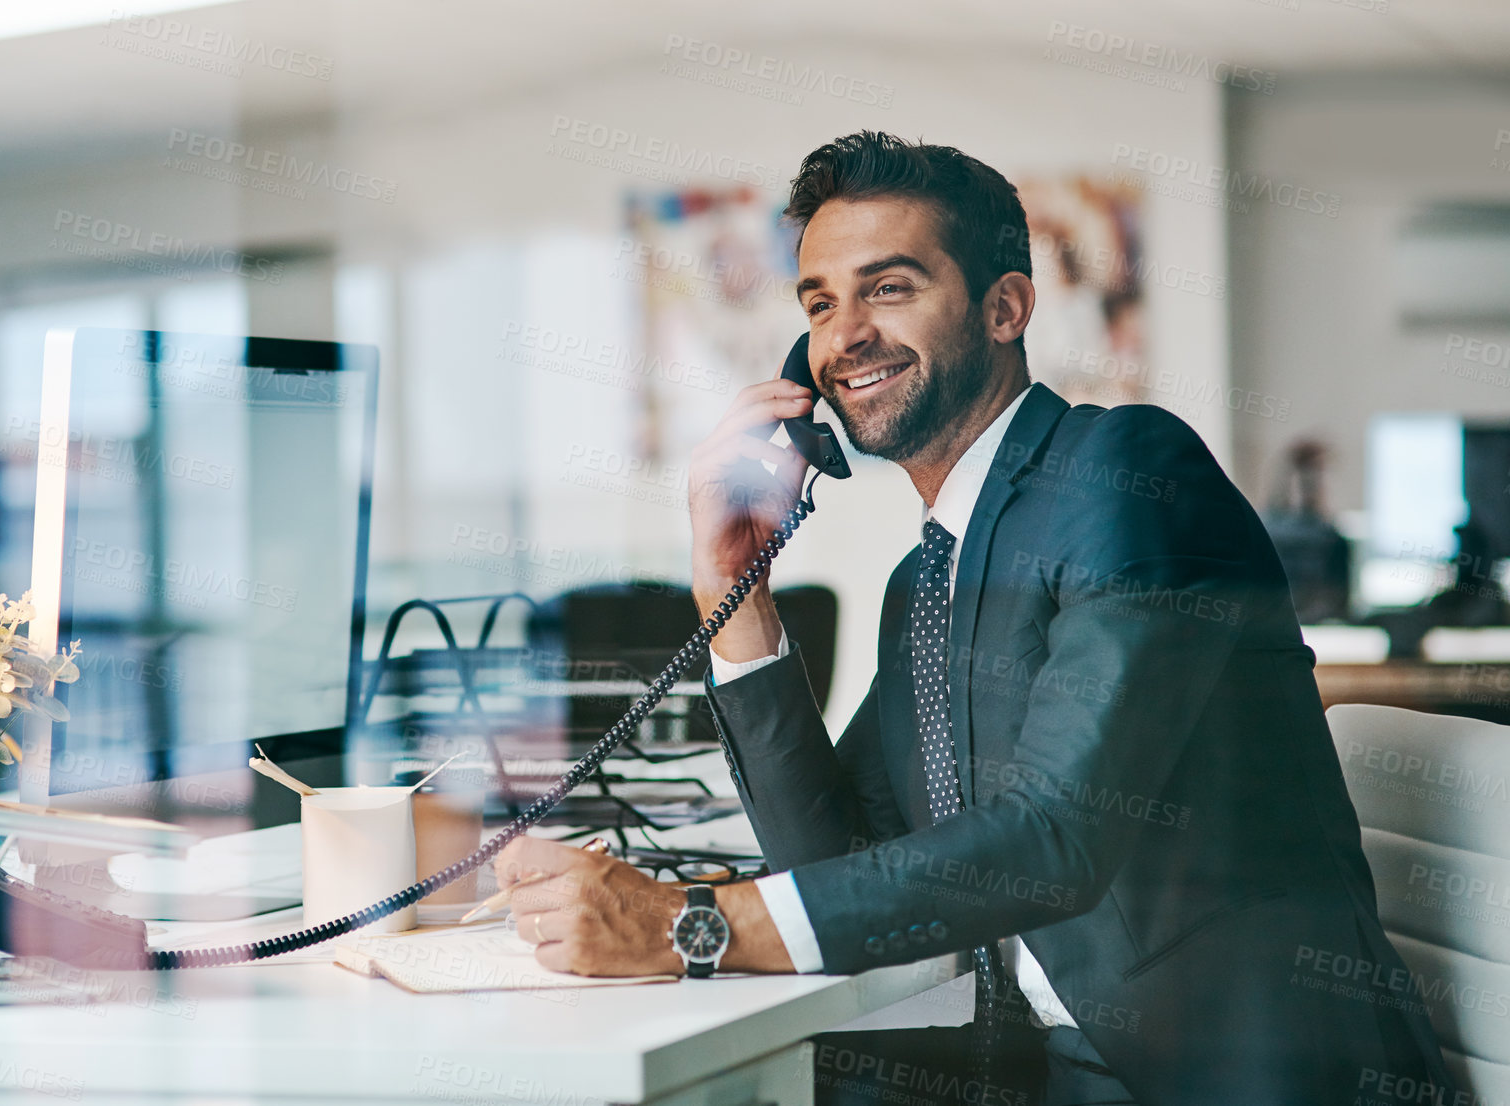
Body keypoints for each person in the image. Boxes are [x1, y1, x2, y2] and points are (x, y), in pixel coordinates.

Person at [496, 131, 1452, 1106]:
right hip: (1041, 1065)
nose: (842, 337)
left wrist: (683, 923)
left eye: (888, 287)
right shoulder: (926, 577)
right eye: (818, 303)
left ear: (1004, 307)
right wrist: (730, 588)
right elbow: (830, 862)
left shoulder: (1130, 476)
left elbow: (1051, 842)